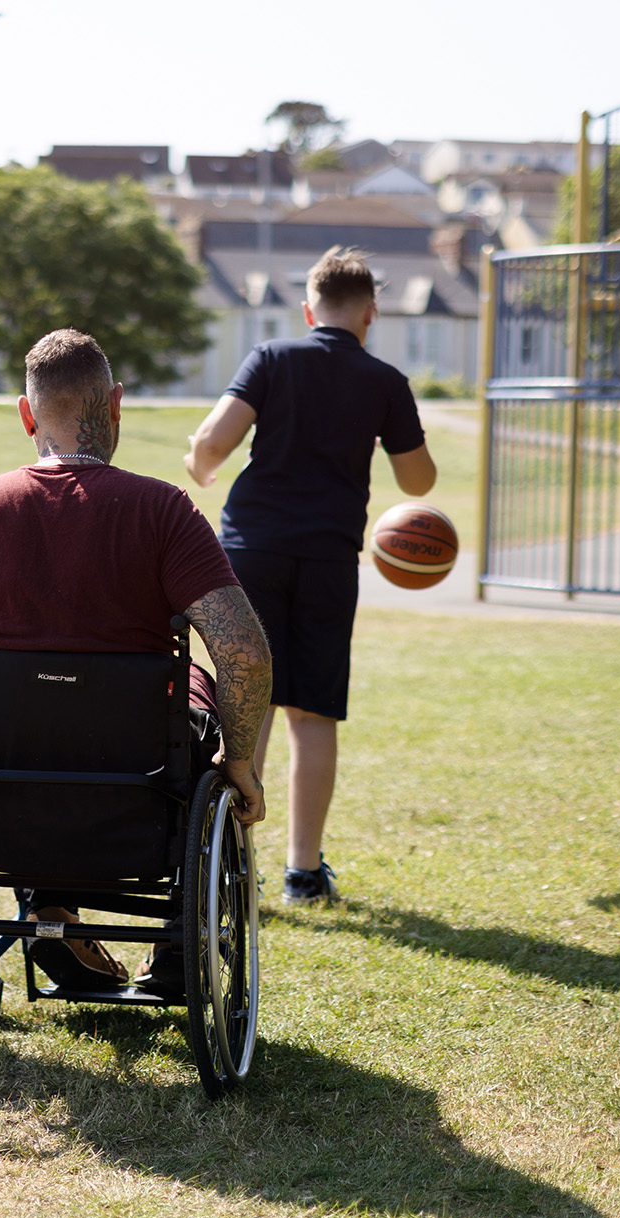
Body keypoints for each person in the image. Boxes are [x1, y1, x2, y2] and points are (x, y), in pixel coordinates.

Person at [0, 328, 272, 992]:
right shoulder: (163, 512)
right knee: (189, 696)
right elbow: (246, 655)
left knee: (34, 716)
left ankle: (49, 906)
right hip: (141, 800)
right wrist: (239, 765)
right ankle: (172, 945)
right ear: (115, 405)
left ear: (27, 415)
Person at [183, 245, 437, 906]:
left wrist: (199, 466)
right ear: (370, 314)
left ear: (308, 309)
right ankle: (302, 872)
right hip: (328, 557)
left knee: (250, 704)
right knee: (313, 712)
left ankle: (233, 869)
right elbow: (419, 479)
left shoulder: (271, 357)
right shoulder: (384, 380)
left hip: (252, 549)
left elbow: (213, 444)